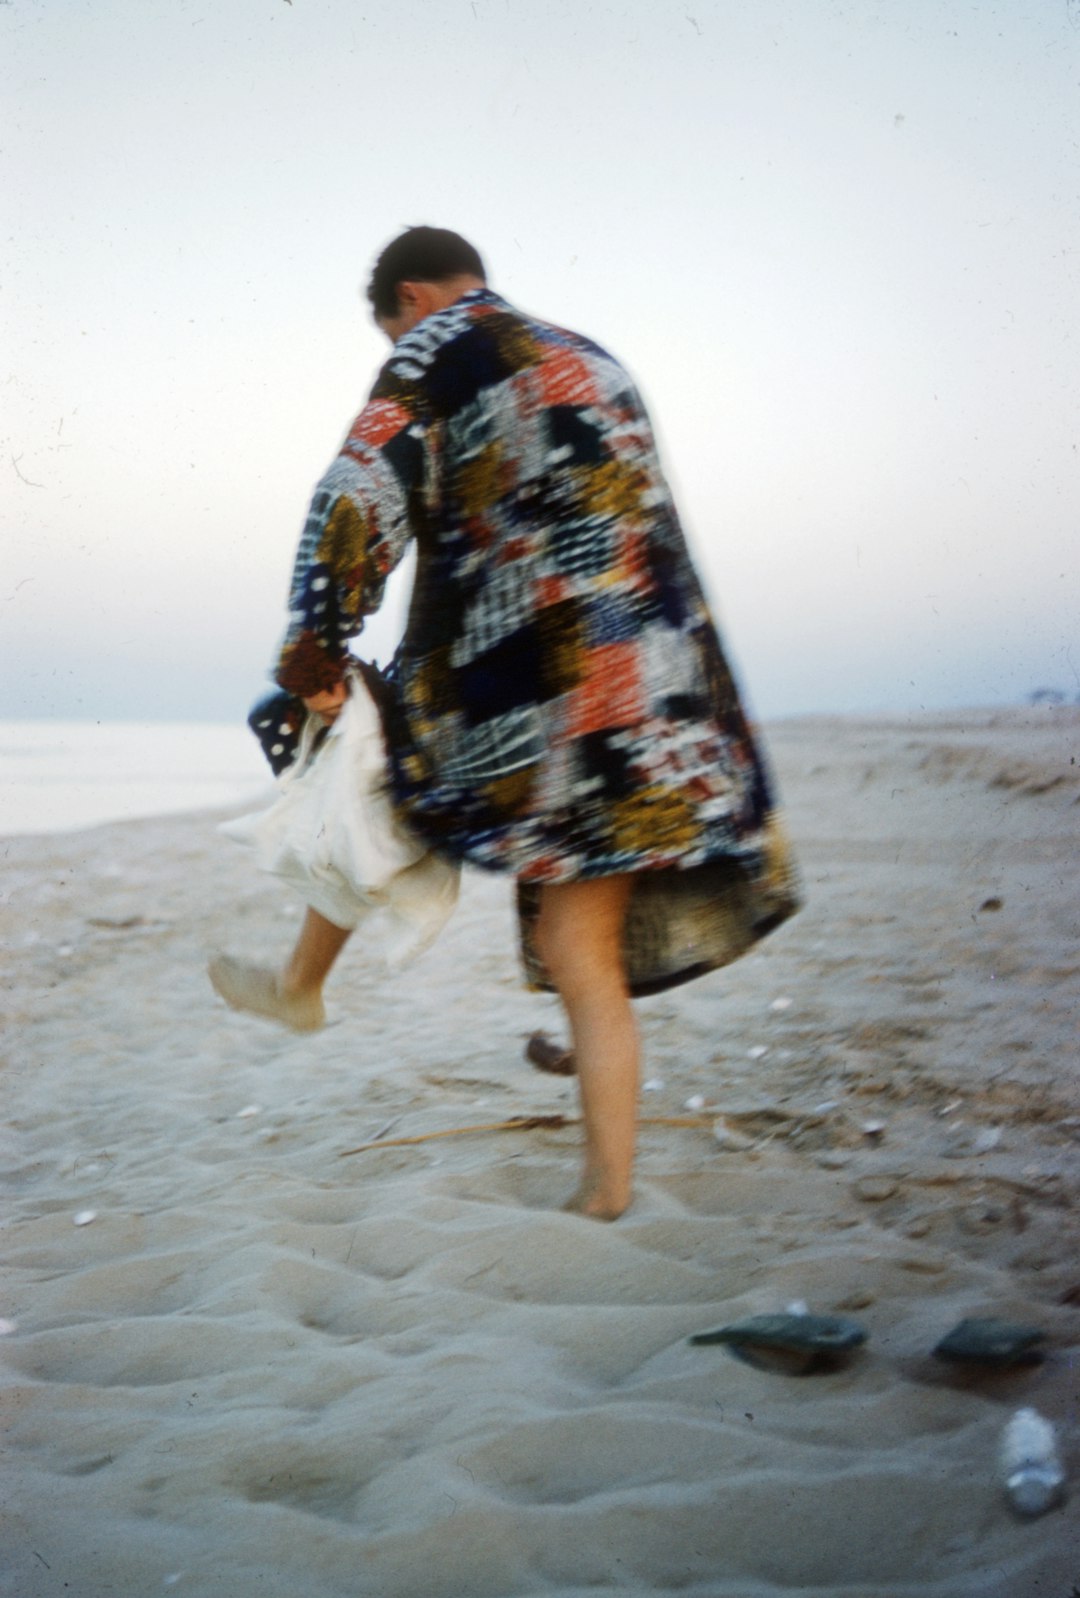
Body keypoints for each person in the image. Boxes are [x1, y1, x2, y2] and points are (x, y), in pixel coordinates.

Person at [210, 226, 800, 1220]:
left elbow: (357, 498)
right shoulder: (597, 357)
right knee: (586, 959)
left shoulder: (437, 348)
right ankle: (606, 1188)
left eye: (391, 322)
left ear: (411, 295)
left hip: (532, 689)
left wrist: (313, 658)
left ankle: (303, 982)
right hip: (648, 698)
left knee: (368, 781)